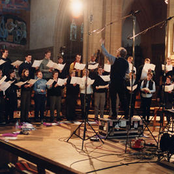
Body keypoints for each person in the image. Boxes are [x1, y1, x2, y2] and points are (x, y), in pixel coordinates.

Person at [101, 39, 129, 119]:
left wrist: (102, 45)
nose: (116, 51)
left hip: (114, 82)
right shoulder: (126, 62)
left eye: (118, 50)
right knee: (123, 98)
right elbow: (127, 73)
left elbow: (106, 54)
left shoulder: (114, 60)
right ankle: (127, 114)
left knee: (113, 98)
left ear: (119, 53)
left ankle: (114, 114)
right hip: (121, 82)